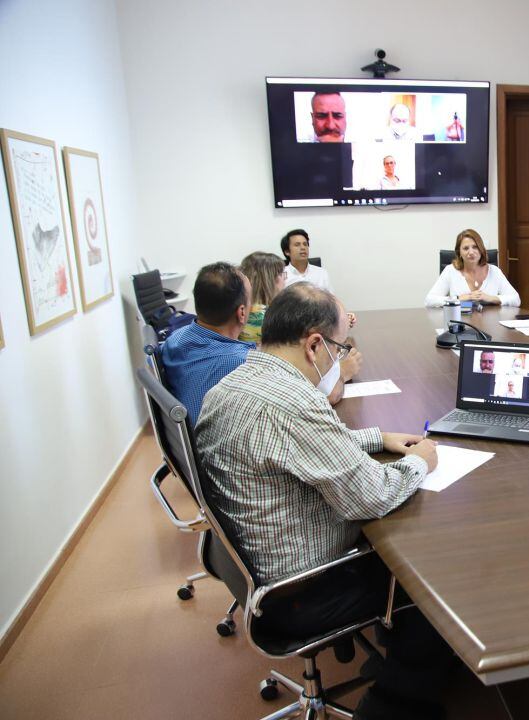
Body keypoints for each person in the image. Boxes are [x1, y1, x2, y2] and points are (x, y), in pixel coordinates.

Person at [196, 283, 453, 719]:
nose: (340, 356)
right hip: (301, 590)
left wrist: (377, 437)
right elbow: (373, 495)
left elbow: (295, 445)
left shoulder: (238, 382)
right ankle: (396, 701)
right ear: (315, 344)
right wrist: (420, 463)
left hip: (252, 568)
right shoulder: (295, 403)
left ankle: (391, 652)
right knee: (429, 571)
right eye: (339, 347)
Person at [159, 262, 255, 424]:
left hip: (191, 433)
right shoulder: (243, 364)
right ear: (242, 313)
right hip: (218, 445)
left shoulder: (175, 339)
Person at [424, 229, 521, 307]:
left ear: (481, 249)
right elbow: (429, 300)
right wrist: (459, 298)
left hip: (491, 325)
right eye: (466, 248)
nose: (471, 252)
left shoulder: (494, 271)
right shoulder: (450, 271)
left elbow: (516, 300)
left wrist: (490, 298)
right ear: (459, 253)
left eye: (475, 247)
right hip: (460, 325)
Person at [238, 251, 285, 345]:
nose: (285, 278)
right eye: (281, 274)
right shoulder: (274, 317)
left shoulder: (238, 312)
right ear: (271, 279)